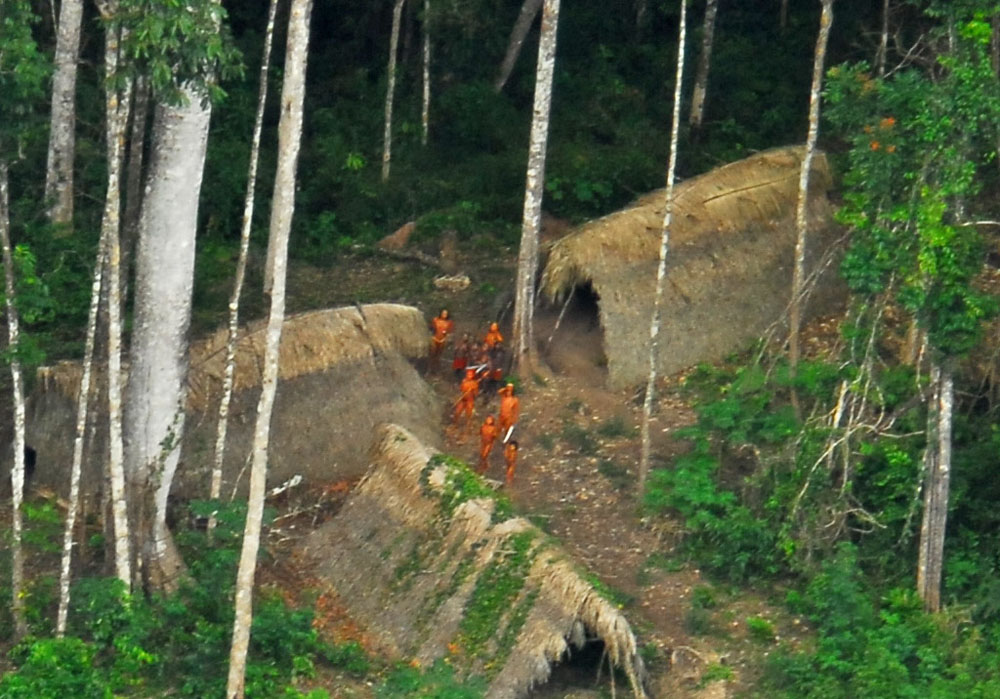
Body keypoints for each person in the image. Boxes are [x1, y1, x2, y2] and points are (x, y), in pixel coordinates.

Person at [450, 368, 480, 441]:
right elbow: (461, 389)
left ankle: (467, 429)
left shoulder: (475, 383)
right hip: (463, 399)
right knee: (457, 412)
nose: (469, 375)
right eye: (468, 374)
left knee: (469, 415)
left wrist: (473, 390)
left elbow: (476, 394)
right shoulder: (464, 381)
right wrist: (466, 390)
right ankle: (455, 424)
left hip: (470, 400)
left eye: (471, 374)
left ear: (473, 375)